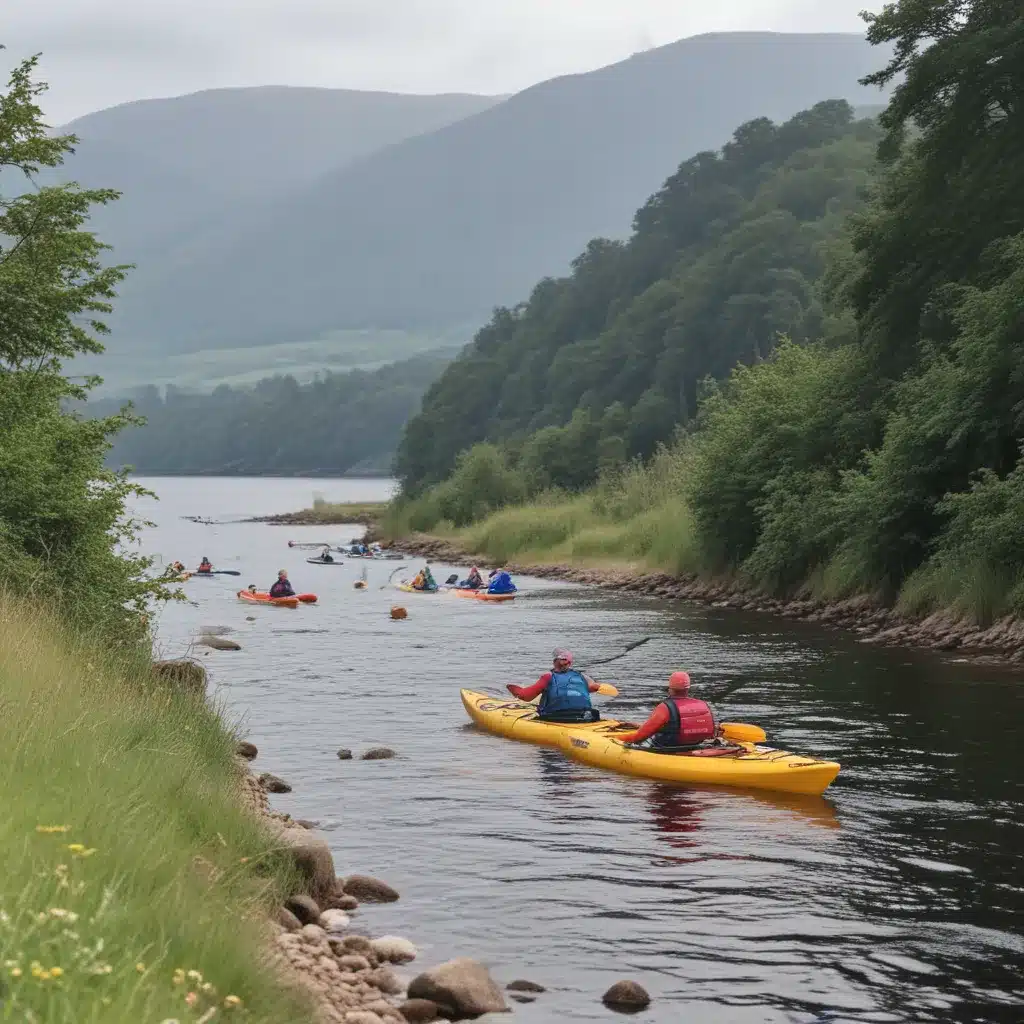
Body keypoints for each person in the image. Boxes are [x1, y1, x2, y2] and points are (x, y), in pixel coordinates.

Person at [616, 671, 716, 749]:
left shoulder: (665, 708)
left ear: (670, 688)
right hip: (694, 745)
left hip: (667, 748)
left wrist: (616, 739)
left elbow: (639, 736)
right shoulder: (703, 705)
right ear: (688, 688)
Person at [507, 648, 601, 722]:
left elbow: (525, 696)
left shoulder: (548, 677)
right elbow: (594, 687)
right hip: (586, 715)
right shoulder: (582, 676)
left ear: (554, 662)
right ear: (570, 662)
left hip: (556, 717)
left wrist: (514, 689)